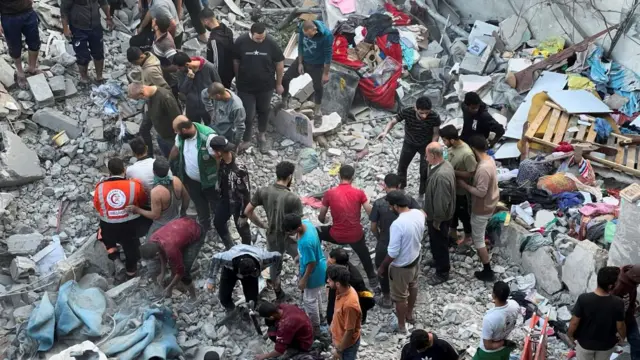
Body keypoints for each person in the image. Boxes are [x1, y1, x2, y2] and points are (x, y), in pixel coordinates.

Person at [244, 161, 303, 302]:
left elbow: (247, 211)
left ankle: (279, 294)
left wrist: (263, 224)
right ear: (290, 177)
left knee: (274, 268)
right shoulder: (293, 198)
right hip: (289, 238)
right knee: (301, 260)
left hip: (272, 237)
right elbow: (299, 225)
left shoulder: (263, 191)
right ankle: (304, 288)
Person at [318, 164, 377, 288]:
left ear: (339, 176)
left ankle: (318, 260)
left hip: (336, 235)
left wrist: (324, 220)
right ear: (353, 177)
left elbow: (321, 216)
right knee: (364, 253)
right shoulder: (359, 193)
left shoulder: (330, 193)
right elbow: (369, 211)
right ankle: (372, 277)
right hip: (355, 235)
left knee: (316, 231)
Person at [377, 190, 425, 334]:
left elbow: (393, 252)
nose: (390, 208)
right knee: (413, 285)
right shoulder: (419, 214)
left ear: (396, 206)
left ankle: (402, 325)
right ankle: (410, 314)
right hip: (415, 258)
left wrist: (382, 266)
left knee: (400, 297)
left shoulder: (398, 224)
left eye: (391, 206)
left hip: (401, 266)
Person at [233, 22, 285, 154]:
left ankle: (261, 134)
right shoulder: (241, 41)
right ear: (251, 34)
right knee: (248, 114)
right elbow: (236, 61)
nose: (261, 40)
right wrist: (237, 78)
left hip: (266, 86)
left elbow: (279, 63)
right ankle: (246, 139)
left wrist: (278, 83)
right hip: (246, 87)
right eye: (257, 38)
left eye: (263, 37)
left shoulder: (271, 42)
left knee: (264, 110)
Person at [370, 173, 420, 308]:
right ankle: (409, 296)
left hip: (385, 242)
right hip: (407, 244)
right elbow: (420, 214)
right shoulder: (408, 200)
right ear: (398, 186)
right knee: (408, 271)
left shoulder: (380, 203)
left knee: (382, 268)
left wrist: (379, 237)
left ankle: (387, 297)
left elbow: (373, 226)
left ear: (385, 186)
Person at [376, 96, 441, 198]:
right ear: (416, 108)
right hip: (409, 143)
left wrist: (432, 146)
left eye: (426, 113)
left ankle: (421, 193)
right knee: (402, 167)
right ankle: (401, 189)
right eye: (421, 113)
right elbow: (393, 121)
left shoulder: (434, 116)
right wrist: (385, 132)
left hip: (425, 145)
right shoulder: (407, 111)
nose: (424, 116)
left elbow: (436, 133)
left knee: (424, 170)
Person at [93, 158, 147, 279]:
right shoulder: (134, 185)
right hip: (130, 227)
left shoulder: (100, 188)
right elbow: (142, 201)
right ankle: (131, 272)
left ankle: (115, 258)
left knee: (102, 234)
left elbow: (98, 207)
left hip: (109, 227)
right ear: (124, 169)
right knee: (131, 247)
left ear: (109, 172)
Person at [457, 135, 500, 281]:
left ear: (473, 149)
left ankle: (487, 270)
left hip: (482, 208)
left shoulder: (483, 169)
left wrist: (465, 186)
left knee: (478, 240)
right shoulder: (490, 160)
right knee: (479, 235)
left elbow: (481, 192)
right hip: (490, 203)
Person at [169, 116, 218, 233]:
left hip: (209, 181)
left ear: (184, 130)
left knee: (215, 203)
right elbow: (176, 149)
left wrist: (219, 179)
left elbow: (218, 158)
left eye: (176, 131)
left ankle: (220, 225)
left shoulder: (208, 138)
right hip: (191, 180)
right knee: (200, 204)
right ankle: (205, 225)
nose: (175, 133)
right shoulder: (181, 136)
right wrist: (169, 165)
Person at [280, 20, 333, 124]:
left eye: (309, 35)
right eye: (306, 35)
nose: (307, 37)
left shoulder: (327, 35)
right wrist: (300, 63)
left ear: (315, 30)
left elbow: (328, 56)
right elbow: (300, 46)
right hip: (304, 60)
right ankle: (284, 101)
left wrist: (326, 73)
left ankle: (317, 111)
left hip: (318, 65)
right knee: (285, 78)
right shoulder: (302, 28)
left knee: (318, 87)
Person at [568, 267, 627, 360]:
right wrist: (622, 337)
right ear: (610, 286)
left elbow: (574, 322)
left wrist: (570, 336)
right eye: (617, 281)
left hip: (585, 344)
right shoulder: (618, 303)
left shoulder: (584, 299)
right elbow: (620, 326)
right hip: (606, 346)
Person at [283, 213, 327, 334]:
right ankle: (321, 317)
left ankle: (315, 327)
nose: (289, 234)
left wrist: (304, 279)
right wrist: (300, 256)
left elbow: (311, 262)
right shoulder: (306, 223)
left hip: (313, 272)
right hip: (320, 266)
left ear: (297, 229)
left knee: (309, 300)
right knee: (315, 294)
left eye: (290, 232)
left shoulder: (305, 242)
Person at [139, 217, 204, 300]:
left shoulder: (171, 249)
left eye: (154, 257)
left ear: (156, 254)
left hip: (196, 231)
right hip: (184, 224)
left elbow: (181, 272)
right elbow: (161, 253)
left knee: (185, 273)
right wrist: (162, 273)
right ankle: (177, 282)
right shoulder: (153, 239)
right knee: (175, 261)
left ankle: (193, 298)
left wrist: (169, 289)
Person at [206, 244, 281, 312]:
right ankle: (232, 310)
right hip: (230, 271)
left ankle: (250, 312)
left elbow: (278, 256)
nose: (244, 277)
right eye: (243, 276)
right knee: (223, 297)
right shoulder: (228, 258)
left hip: (252, 273)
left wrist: (276, 275)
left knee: (252, 299)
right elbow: (215, 258)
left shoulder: (265, 258)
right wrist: (211, 279)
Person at [127, 157, 188, 236]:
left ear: (153, 171)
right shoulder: (176, 180)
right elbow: (186, 198)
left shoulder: (156, 192)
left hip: (162, 226)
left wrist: (137, 209)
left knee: (148, 244)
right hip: (177, 219)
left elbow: (155, 215)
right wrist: (183, 212)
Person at [209, 136, 251, 249]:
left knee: (243, 230)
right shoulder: (222, 161)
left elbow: (247, 194)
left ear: (218, 152)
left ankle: (247, 251)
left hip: (238, 204)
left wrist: (244, 215)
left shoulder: (239, 169)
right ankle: (230, 246)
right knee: (218, 222)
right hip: (225, 200)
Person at [423, 142, 456, 286]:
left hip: (439, 218)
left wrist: (437, 220)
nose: (425, 158)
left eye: (427, 155)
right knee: (435, 241)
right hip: (436, 215)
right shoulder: (442, 165)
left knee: (440, 242)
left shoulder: (441, 176)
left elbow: (441, 202)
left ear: (434, 155)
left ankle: (443, 271)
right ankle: (437, 260)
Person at [440, 125, 477, 246]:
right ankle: (453, 233)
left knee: (464, 214)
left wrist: (452, 171)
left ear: (452, 140)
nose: (444, 143)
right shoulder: (452, 147)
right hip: (451, 188)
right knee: (452, 212)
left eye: (444, 140)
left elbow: (472, 173)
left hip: (461, 191)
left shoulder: (467, 154)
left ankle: (468, 237)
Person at [61, 0, 113, 84]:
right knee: (82, 55)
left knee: (98, 52)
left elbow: (103, 3)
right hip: (78, 28)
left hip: (95, 26)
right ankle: (84, 78)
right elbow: (64, 10)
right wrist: (65, 28)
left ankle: (99, 77)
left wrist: (108, 18)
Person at [128, 83, 181, 158]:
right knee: (167, 156)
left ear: (142, 93)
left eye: (139, 98)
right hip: (162, 135)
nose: (141, 100)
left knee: (176, 158)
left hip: (171, 137)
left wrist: (178, 137)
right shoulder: (150, 97)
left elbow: (178, 118)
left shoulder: (165, 97)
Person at [326, 248, 375, 325]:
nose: (327, 261)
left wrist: (360, 317)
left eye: (329, 260)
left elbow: (366, 299)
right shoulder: (333, 268)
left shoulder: (355, 280)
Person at [473, 281, 520, 360]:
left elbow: (488, 346)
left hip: (488, 354)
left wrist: (503, 343)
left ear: (493, 295)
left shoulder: (490, 318)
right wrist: (505, 343)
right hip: (505, 350)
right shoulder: (515, 305)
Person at [0, 0, 41, 89]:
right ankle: (20, 72)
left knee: (34, 42)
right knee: (14, 47)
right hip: (9, 16)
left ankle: (32, 68)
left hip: (28, 11)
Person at [173, 52, 222, 125]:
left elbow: (218, 85)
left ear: (186, 64)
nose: (178, 69)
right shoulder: (180, 72)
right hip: (192, 107)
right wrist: (189, 78)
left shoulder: (209, 67)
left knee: (212, 126)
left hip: (208, 106)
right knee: (193, 127)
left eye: (179, 67)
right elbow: (183, 90)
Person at [327, 264, 362, 360]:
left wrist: (339, 351)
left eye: (329, 280)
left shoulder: (349, 305)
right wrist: (332, 327)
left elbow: (349, 331)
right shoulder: (340, 291)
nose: (327, 281)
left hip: (347, 346)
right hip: (339, 339)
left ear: (337, 284)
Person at [199, 8, 235, 89]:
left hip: (221, 77)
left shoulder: (214, 40)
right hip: (230, 71)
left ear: (206, 21)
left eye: (202, 22)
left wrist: (215, 79)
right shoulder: (228, 30)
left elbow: (217, 62)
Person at [611, 264, 640, 360]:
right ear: (635, 277)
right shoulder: (619, 286)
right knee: (610, 342)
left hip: (629, 315)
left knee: (636, 341)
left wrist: (633, 302)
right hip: (617, 319)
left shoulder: (632, 280)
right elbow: (610, 304)